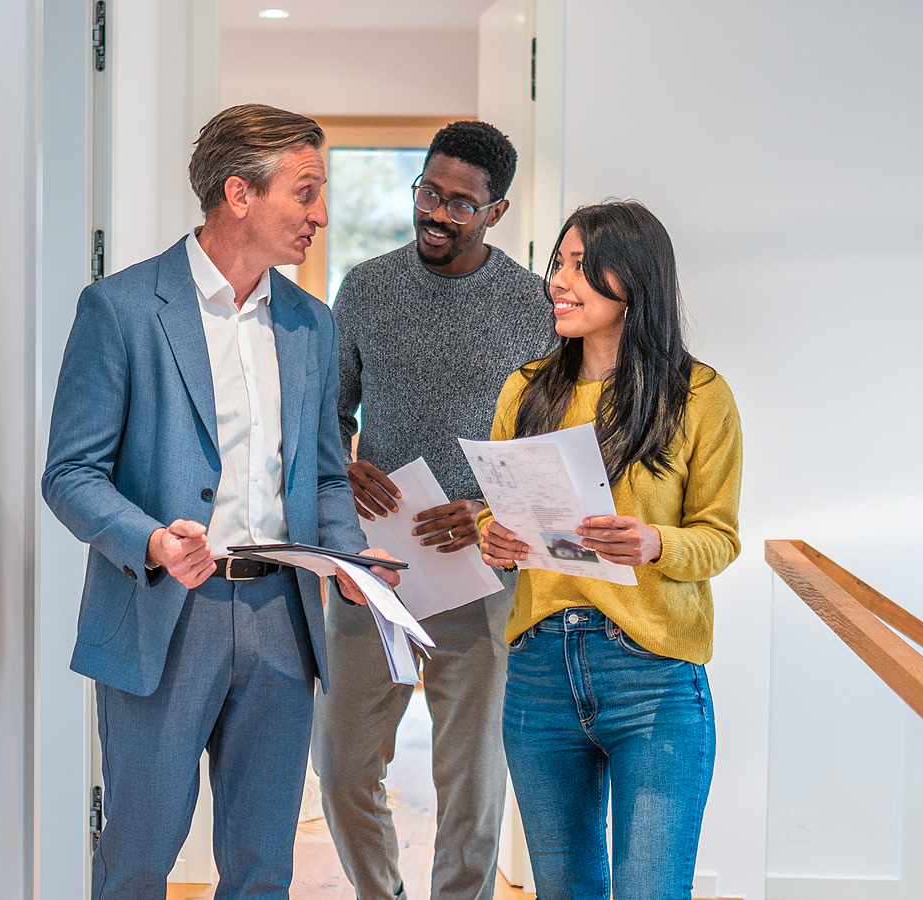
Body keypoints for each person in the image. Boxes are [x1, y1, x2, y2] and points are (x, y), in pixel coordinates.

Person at [42, 103, 400, 900]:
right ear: (239, 194)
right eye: (305, 191)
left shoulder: (311, 322)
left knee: (263, 867)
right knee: (137, 858)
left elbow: (327, 477)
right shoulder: (122, 309)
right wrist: (150, 540)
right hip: (164, 613)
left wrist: (347, 555)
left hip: (282, 620)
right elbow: (69, 474)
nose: (320, 213)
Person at [312, 120, 551, 900]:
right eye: (429, 192)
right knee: (343, 768)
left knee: (471, 792)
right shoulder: (367, 287)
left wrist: (483, 506)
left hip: (482, 573)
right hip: (375, 567)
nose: (438, 214)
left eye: (461, 203)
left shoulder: (532, 307)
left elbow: (551, 450)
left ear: (497, 211)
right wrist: (345, 472)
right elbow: (329, 414)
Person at [478, 201, 743, 900]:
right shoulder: (526, 390)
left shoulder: (700, 397)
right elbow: (496, 513)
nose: (559, 283)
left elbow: (719, 538)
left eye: (580, 268)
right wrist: (492, 536)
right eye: (558, 266)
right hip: (539, 670)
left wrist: (655, 541)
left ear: (633, 281)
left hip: (652, 675)